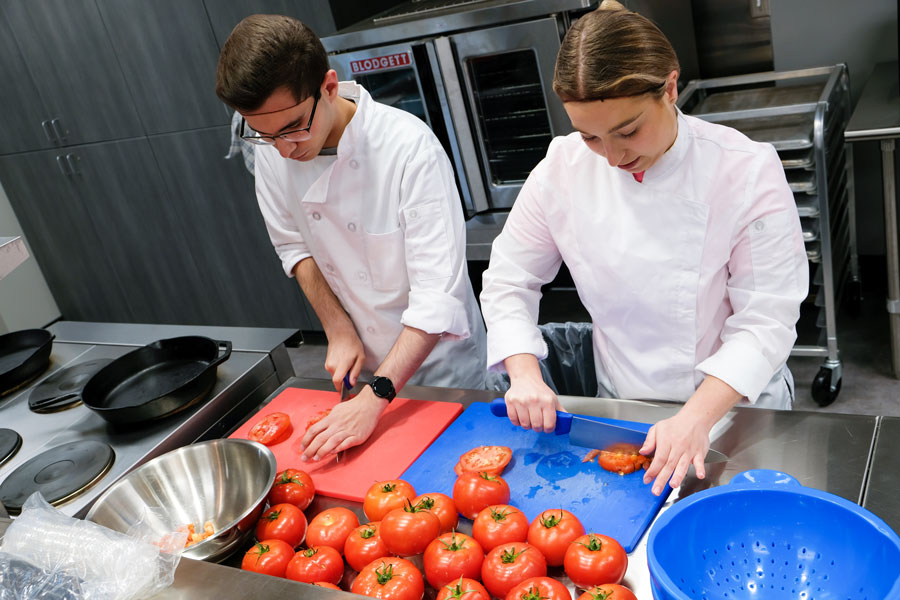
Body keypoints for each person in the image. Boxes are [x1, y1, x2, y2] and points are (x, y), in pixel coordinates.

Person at [480, 1, 808, 495]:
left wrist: (695, 418)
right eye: (589, 135)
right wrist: (524, 374)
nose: (611, 157)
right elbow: (509, 278)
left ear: (670, 88)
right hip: (626, 408)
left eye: (628, 131)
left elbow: (765, 321)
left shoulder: (743, 168)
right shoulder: (561, 170)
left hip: (732, 408)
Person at [215, 15, 486, 461]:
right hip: (364, 373)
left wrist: (376, 396)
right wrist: (338, 328)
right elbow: (294, 247)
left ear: (328, 86)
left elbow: (437, 298)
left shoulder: (408, 149)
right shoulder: (272, 148)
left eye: (294, 127)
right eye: (263, 134)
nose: (284, 149)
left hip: (442, 371)